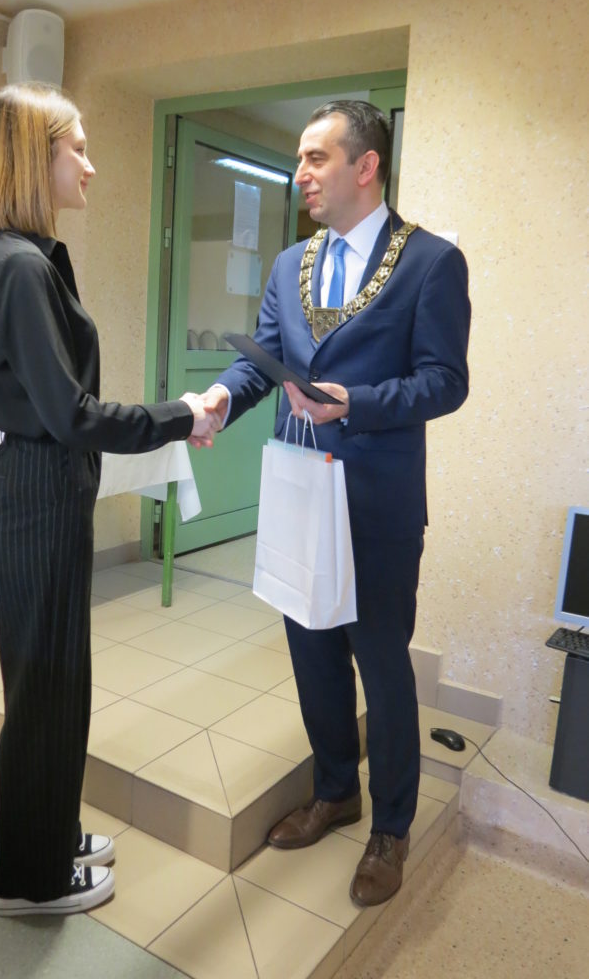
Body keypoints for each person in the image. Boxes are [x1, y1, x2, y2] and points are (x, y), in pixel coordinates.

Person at [194, 100, 471, 907]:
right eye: (300, 159)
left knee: (382, 665)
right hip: (299, 490)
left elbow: (445, 382)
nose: (301, 174)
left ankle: (392, 827)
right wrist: (219, 398)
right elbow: (263, 361)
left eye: (316, 158)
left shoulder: (431, 263)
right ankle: (334, 790)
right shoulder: (290, 264)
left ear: (366, 165)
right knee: (311, 653)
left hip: (378, 501)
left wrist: (359, 403)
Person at [0, 83, 217, 917]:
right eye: (77, 148)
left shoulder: (22, 257)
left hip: (41, 491)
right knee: (44, 695)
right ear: (32, 157)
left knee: (56, 685)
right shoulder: (18, 265)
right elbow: (71, 414)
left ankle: (48, 832)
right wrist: (181, 415)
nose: (90, 165)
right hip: (37, 496)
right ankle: (28, 880)